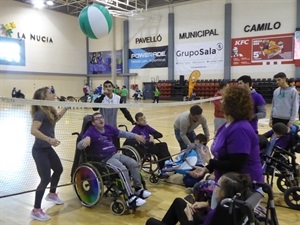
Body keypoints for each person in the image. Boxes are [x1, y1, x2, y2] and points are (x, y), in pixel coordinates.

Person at [188, 86, 264, 208]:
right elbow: (224, 157)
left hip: (242, 188)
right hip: (226, 183)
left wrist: (209, 160)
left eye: (223, 99)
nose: (220, 101)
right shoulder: (227, 125)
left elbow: (236, 165)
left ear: (231, 105)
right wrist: (207, 168)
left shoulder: (240, 129)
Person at [77, 112, 151, 207]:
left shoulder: (108, 128)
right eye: (97, 118)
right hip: (104, 159)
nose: (100, 119)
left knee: (134, 163)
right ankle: (130, 198)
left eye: (101, 117)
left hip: (115, 154)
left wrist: (135, 136)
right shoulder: (90, 131)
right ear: (93, 123)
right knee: (122, 169)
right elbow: (79, 146)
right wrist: (85, 141)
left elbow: (122, 133)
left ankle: (138, 189)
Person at [145, 172, 253, 225]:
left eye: (217, 185)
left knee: (151, 222)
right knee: (179, 202)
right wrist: (206, 205)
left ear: (225, 192)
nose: (214, 187)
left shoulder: (219, 211)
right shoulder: (230, 207)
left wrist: (190, 218)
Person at [30, 87, 70, 221]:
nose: (53, 94)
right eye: (50, 93)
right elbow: (34, 130)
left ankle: (52, 194)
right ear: (44, 97)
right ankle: (36, 210)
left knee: (58, 169)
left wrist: (66, 108)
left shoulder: (49, 110)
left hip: (47, 148)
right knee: (45, 179)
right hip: (39, 150)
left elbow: (55, 119)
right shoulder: (40, 113)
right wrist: (49, 139)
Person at [128, 112, 172, 178]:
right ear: (137, 122)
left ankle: (167, 162)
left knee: (163, 144)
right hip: (143, 148)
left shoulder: (146, 127)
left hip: (150, 145)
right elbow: (131, 140)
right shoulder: (135, 130)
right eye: (141, 119)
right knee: (160, 151)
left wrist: (153, 136)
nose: (144, 120)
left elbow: (160, 134)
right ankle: (163, 169)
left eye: (144, 118)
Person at [93, 80, 136, 148]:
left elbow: (125, 111)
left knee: (116, 148)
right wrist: (103, 95)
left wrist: (132, 120)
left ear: (113, 88)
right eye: (106, 87)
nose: (108, 88)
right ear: (104, 89)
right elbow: (94, 108)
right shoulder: (101, 98)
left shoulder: (118, 98)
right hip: (103, 129)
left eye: (110, 86)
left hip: (113, 128)